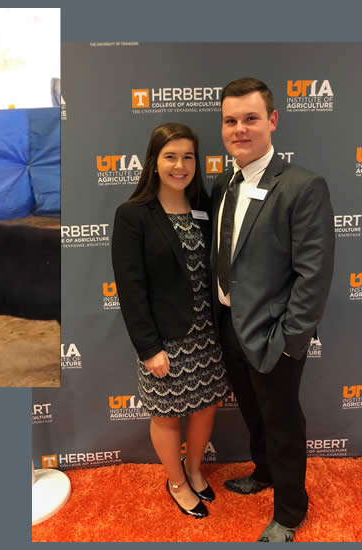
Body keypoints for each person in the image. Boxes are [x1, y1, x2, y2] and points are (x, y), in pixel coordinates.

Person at [211, 77, 335, 542]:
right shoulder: (223, 181)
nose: (239, 129)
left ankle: (290, 512)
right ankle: (262, 473)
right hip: (229, 325)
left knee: (282, 422)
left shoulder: (303, 186)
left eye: (250, 119)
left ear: (273, 121)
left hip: (275, 336)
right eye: (230, 120)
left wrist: (291, 343)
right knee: (253, 412)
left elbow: (314, 274)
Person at [111, 122, 229, 520]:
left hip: (208, 337)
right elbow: (130, 289)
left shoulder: (205, 207)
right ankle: (176, 482)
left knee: (205, 408)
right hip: (165, 340)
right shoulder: (133, 215)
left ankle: (195, 471)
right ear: (154, 162)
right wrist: (149, 349)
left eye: (188, 157)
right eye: (170, 156)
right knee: (166, 415)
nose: (180, 165)